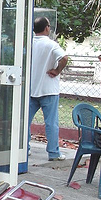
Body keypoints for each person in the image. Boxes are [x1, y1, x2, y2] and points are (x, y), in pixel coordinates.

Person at [28, 16, 69, 160]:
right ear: (46, 28)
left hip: (31, 89)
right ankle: (53, 153)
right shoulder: (51, 44)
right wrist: (57, 71)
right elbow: (64, 58)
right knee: (51, 123)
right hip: (49, 90)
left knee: (25, 121)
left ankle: (24, 148)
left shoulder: (28, 43)